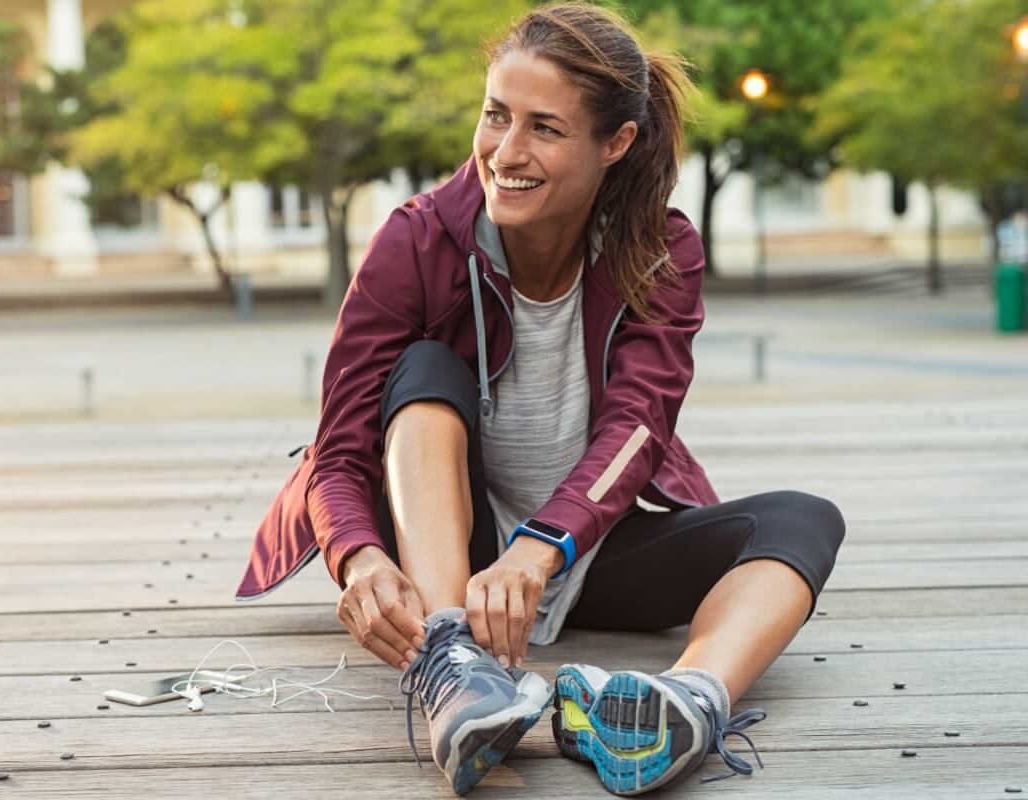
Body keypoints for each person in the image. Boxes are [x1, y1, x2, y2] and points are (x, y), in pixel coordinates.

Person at [237, 2, 846, 795]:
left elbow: (639, 427)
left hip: (580, 548)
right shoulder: (416, 241)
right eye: (496, 116)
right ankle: (453, 666)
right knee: (423, 370)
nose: (506, 152)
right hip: (451, 560)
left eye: (544, 129)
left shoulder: (661, 250)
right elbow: (341, 448)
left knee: (803, 519)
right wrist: (359, 557)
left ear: (615, 143)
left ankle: (689, 702)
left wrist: (543, 546)